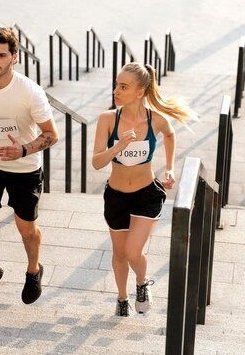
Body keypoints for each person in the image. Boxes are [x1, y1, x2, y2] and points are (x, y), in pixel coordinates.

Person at [0, 27, 59, 305]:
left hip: (24, 168)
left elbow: (52, 134)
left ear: (14, 57)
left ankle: (33, 271)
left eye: (2, 55)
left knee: (26, 228)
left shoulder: (30, 92)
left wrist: (24, 149)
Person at [92, 62, 196, 317]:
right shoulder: (107, 119)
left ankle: (142, 281)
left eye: (123, 86)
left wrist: (170, 168)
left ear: (139, 92)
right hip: (116, 196)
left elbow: (170, 135)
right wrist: (119, 145)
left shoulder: (156, 120)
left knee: (132, 251)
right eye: (117, 84)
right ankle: (122, 297)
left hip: (146, 195)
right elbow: (96, 163)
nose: (116, 90)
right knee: (119, 253)